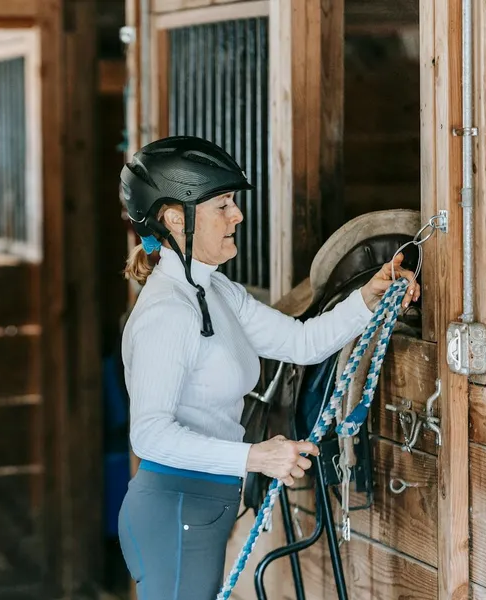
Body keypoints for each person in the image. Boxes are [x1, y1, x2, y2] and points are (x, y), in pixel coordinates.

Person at [115, 135, 420, 599]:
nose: (237, 215)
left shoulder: (217, 292)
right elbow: (150, 434)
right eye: (222, 206)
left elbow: (301, 342)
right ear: (175, 217)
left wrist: (368, 298)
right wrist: (256, 457)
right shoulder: (167, 312)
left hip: (201, 506)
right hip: (177, 508)